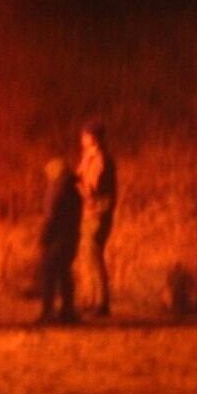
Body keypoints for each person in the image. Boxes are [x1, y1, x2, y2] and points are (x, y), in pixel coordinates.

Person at [75, 120, 117, 317]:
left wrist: (75, 185)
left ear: (94, 138)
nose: (82, 138)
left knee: (94, 255)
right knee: (86, 257)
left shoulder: (101, 160)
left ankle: (102, 303)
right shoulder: (87, 157)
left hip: (97, 213)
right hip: (87, 212)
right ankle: (91, 299)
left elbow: (92, 188)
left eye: (86, 135)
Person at [38, 156, 82, 324]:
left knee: (49, 274)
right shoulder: (73, 189)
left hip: (57, 238)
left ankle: (48, 312)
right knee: (64, 274)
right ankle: (67, 311)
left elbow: (51, 216)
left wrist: (44, 236)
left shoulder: (56, 189)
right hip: (71, 238)